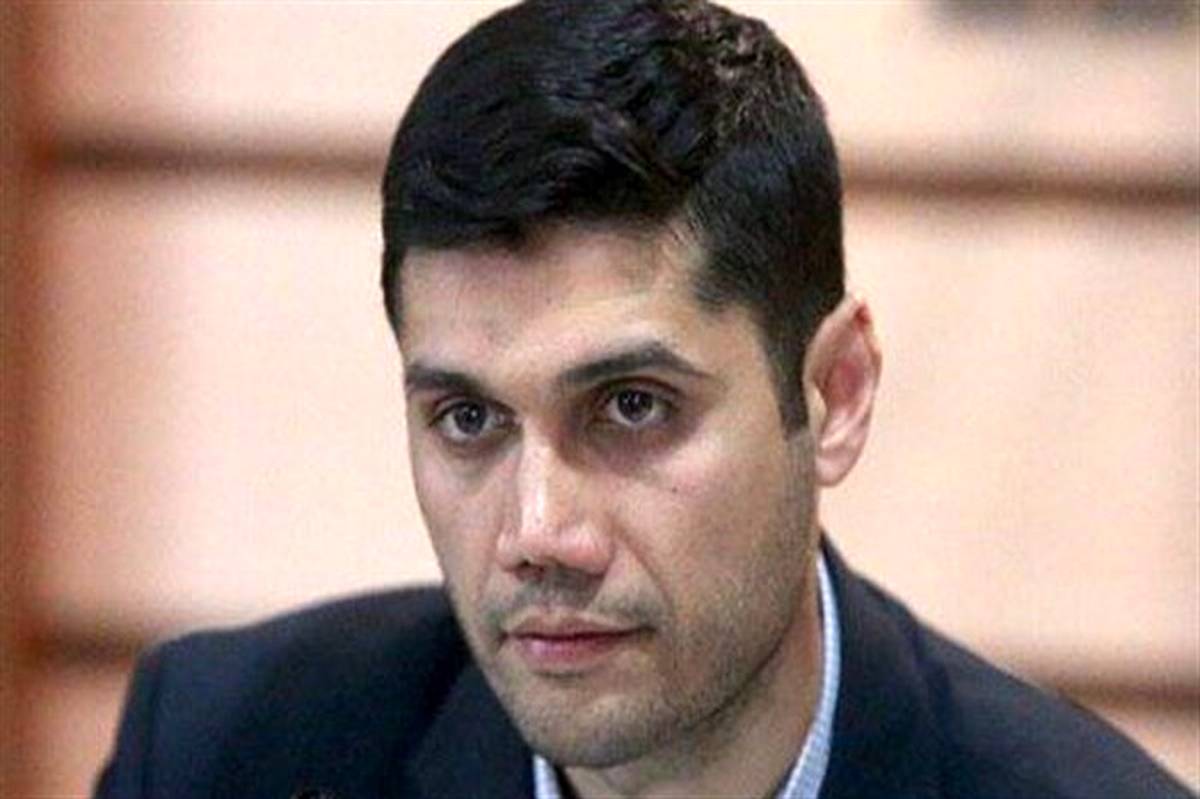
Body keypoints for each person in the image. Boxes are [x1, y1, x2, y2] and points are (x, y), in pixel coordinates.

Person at [95, 1, 1193, 797]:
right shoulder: (222, 751)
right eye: (469, 420)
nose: (538, 533)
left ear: (835, 393)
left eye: (631, 406)